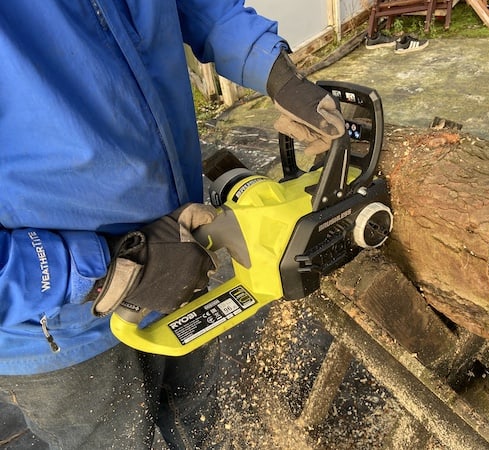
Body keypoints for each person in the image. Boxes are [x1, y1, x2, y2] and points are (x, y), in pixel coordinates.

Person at [0, 1, 345, 449]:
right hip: (56, 326)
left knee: (205, 422)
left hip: (181, 255)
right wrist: (107, 270)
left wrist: (275, 70)